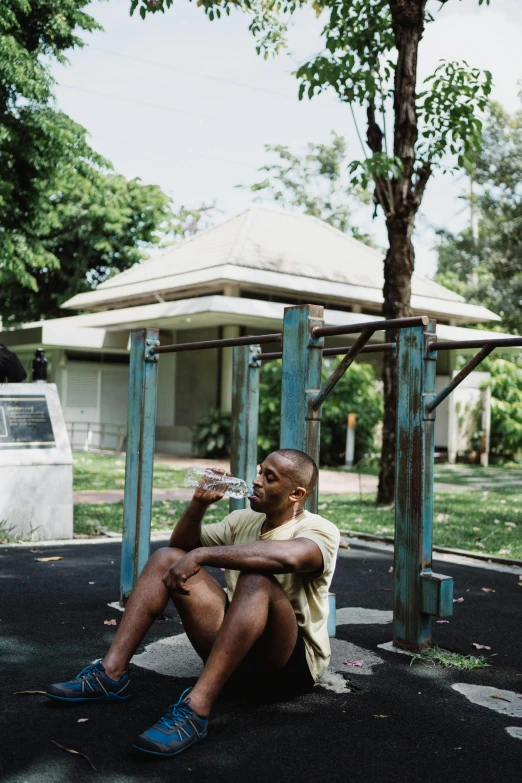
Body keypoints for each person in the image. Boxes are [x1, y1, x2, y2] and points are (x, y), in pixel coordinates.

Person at [46, 448, 340, 758]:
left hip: (286, 669)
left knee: (257, 578)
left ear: (296, 493)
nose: (256, 481)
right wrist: (197, 506)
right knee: (165, 558)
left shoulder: (318, 530)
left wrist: (202, 554)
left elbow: (290, 557)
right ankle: (111, 674)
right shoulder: (243, 520)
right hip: (235, 659)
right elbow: (181, 550)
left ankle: (195, 709)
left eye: (269, 477)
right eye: (259, 471)